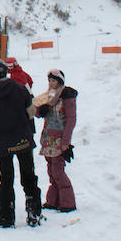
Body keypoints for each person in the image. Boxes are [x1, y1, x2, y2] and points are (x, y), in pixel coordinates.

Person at [0, 57, 42, 227]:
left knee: (6, 179)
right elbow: (31, 112)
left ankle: (7, 217)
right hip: (23, 139)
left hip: (2, 143)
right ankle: (34, 211)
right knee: (29, 176)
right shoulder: (20, 88)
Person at [35, 69, 78, 213]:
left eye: (54, 80)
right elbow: (37, 112)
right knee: (51, 171)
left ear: (59, 82)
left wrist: (66, 141)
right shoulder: (48, 96)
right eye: (49, 80)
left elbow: (71, 120)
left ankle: (68, 202)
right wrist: (38, 108)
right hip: (48, 138)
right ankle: (53, 200)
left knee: (58, 171)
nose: (51, 83)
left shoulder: (66, 97)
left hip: (59, 139)